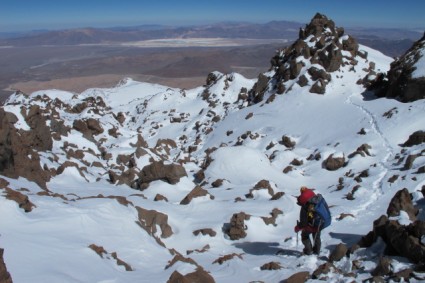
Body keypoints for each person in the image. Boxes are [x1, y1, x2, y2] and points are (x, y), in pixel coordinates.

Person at [294, 186, 327, 255]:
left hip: (311, 224)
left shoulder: (306, 205)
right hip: (320, 222)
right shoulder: (316, 199)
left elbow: (304, 222)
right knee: (317, 237)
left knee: (304, 235)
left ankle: (308, 251)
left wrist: (298, 227)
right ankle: (317, 252)